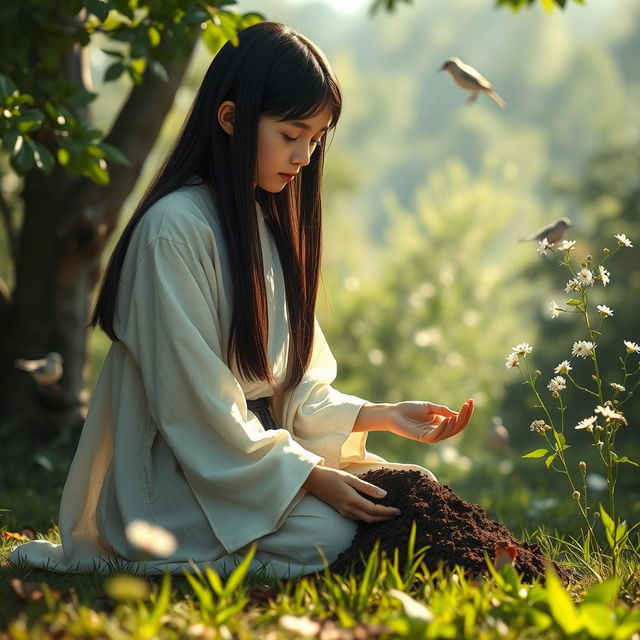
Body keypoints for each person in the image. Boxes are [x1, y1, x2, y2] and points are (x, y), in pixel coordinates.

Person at [8, 22, 473, 578]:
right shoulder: (172, 230)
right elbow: (195, 404)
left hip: (259, 458)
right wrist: (308, 476)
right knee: (337, 532)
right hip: (184, 472)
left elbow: (290, 379)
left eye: (316, 138)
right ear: (230, 119)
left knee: (416, 488)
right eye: (292, 133)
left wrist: (382, 416)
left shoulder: (262, 221)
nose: (304, 155)